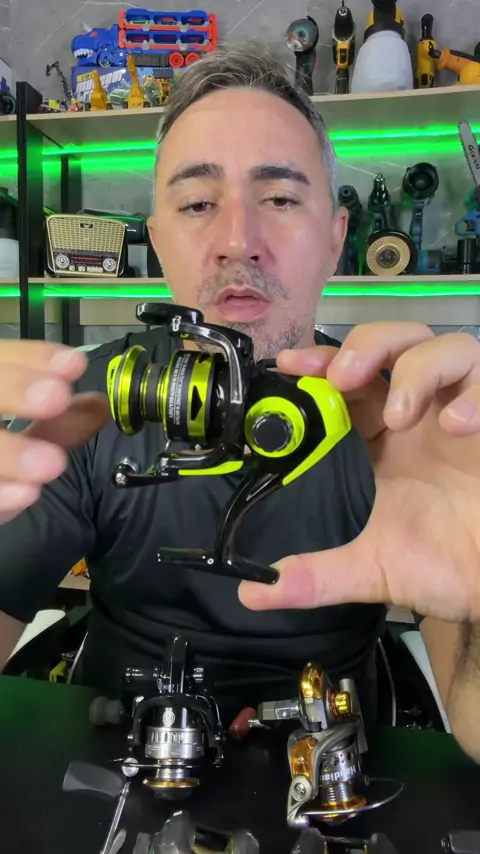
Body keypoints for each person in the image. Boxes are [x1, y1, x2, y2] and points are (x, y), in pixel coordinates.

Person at [1, 44, 480, 757]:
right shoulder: (79, 409)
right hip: (111, 756)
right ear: (158, 242)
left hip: (341, 763)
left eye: (279, 199)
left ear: (336, 239)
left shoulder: (408, 423)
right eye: (198, 204)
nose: (237, 241)